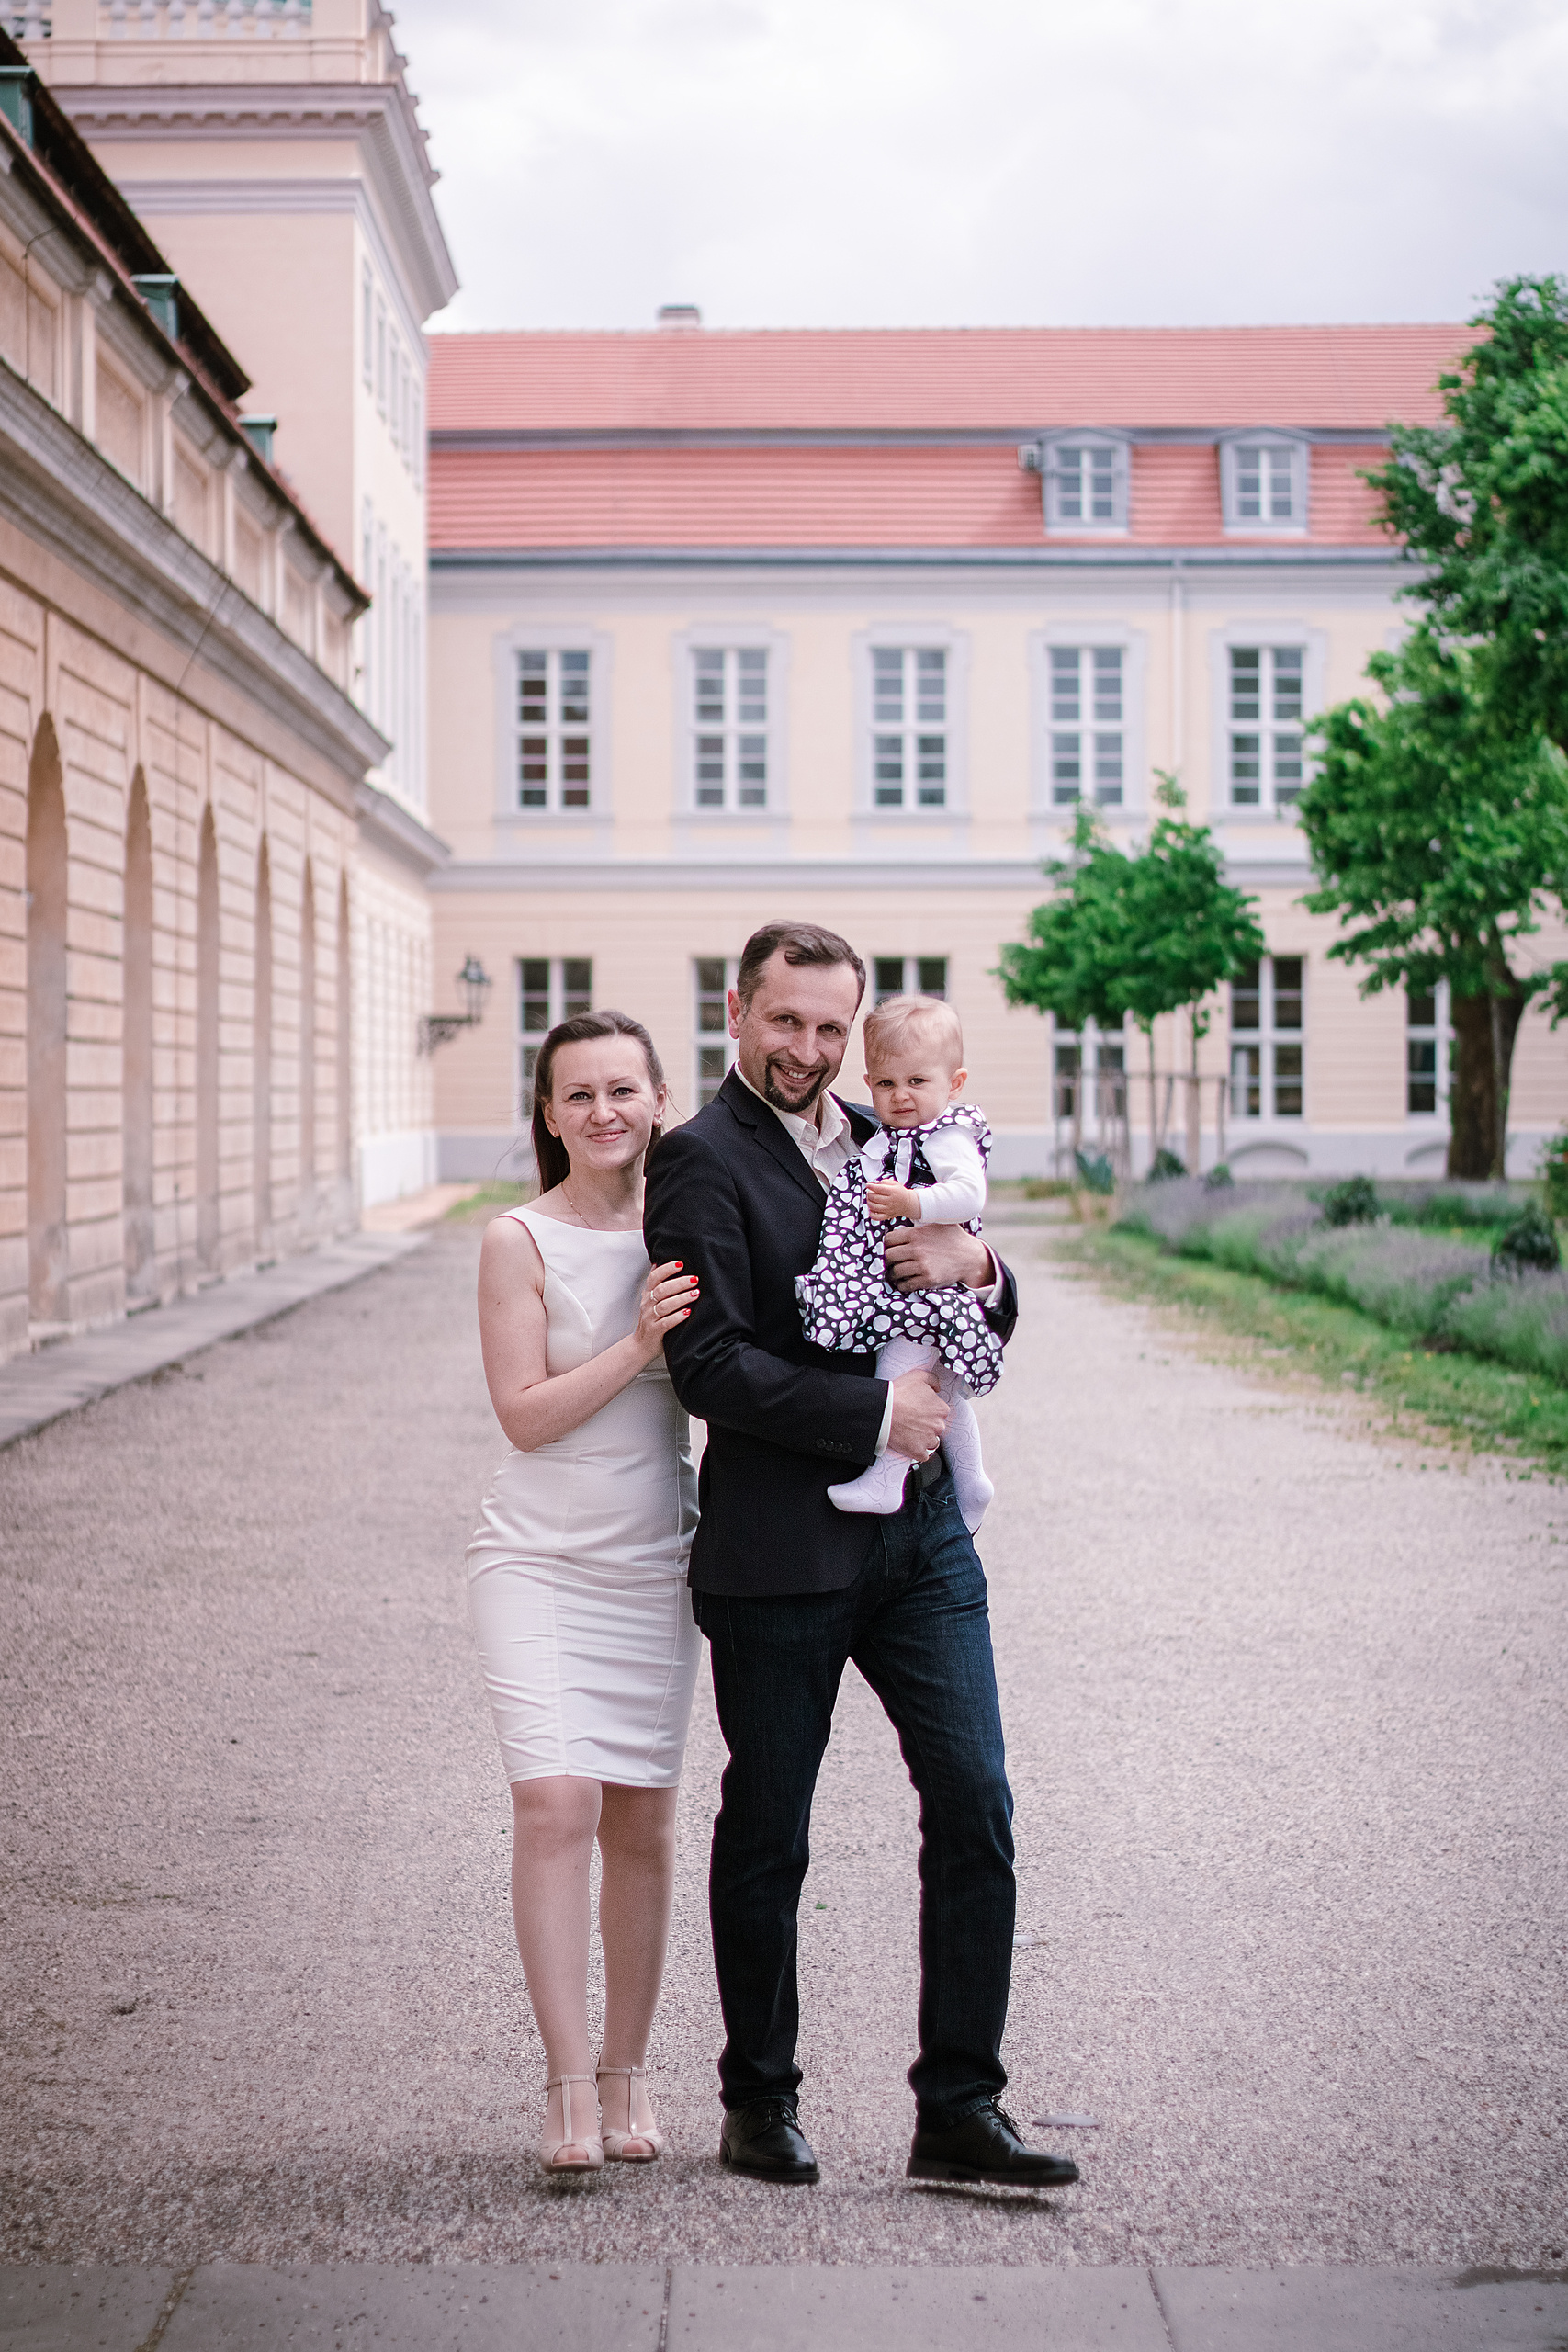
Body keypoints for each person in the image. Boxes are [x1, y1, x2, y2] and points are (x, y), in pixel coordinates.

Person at [643, 922, 1080, 2194]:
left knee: (976, 1800)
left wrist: (980, 1263)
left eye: (831, 1027)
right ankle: (758, 2101)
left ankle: (961, 2106)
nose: (810, 1048)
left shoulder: (898, 1128)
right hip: (782, 1551)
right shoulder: (698, 1158)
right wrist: (871, 1414)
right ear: (737, 1010)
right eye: (786, 1020)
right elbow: (708, 1362)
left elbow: (975, 1285)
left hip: (922, 1539)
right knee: (770, 1830)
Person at [468, 1009, 703, 2176]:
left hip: (655, 1558)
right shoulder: (517, 1238)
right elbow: (524, 1414)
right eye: (579, 1094)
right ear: (550, 1115)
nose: (604, 1111)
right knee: (555, 1801)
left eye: (623, 1089)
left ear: (660, 1100)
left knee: (643, 1820)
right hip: (538, 1557)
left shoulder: (689, 1231)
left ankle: (627, 2070)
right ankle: (565, 2081)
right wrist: (638, 1346)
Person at [796, 990, 999, 1533]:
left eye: (917, 1081)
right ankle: (973, 1480)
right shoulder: (892, 1138)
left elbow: (970, 1195)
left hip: (931, 1294)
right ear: (868, 1084)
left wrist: (913, 1203)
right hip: (926, 1293)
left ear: (954, 1083)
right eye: (886, 1084)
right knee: (942, 1391)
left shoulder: (945, 1135)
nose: (901, 1095)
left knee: (899, 1370)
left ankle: (887, 1479)